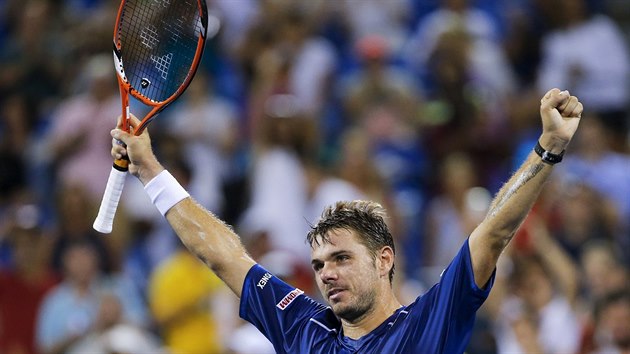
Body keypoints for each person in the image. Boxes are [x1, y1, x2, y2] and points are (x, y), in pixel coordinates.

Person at [109, 88, 582, 353]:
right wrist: (149, 169)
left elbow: (494, 232)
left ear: (384, 259)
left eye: (340, 258)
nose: (326, 274)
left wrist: (547, 149)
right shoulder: (301, 325)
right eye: (317, 265)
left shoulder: (429, 323)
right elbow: (220, 254)